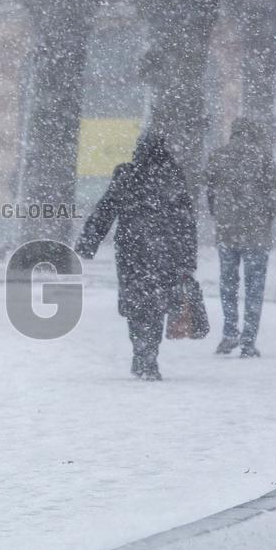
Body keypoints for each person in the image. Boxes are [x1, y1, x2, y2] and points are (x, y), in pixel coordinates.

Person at [76, 133, 197, 381]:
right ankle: (149, 355)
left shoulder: (128, 174)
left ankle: (141, 352)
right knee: (157, 304)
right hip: (165, 251)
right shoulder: (173, 177)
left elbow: (106, 209)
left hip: (132, 250)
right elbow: (186, 221)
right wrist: (187, 257)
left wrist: (88, 242)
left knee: (136, 304)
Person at [206, 118, 276, 358]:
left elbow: (208, 189)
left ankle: (230, 332)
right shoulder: (263, 157)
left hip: (227, 230)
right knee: (254, 287)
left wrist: (219, 213)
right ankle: (248, 340)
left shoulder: (218, 156)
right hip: (256, 233)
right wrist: (265, 215)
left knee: (228, 283)